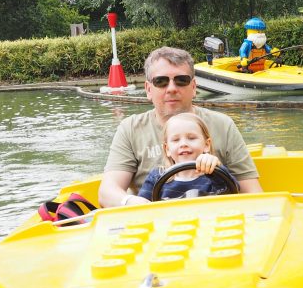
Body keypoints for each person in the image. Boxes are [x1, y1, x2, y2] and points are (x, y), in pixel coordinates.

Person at [99, 46, 262, 208]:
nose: (171, 88)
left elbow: (251, 192)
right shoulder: (130, 129)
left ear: (193, 87)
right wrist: (132, 202)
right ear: (149, 89)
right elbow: (108, 192)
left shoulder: (223, 125)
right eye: (161, 82)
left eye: (181, 80)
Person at [137, 113, 233, 200]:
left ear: (207, 145)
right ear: (167, 149)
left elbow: (233, 192)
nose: (183, 144)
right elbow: (143, 206)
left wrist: (214, 168)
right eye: (176, 140)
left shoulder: (215, 174)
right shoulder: (157, 176)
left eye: (191, 138)